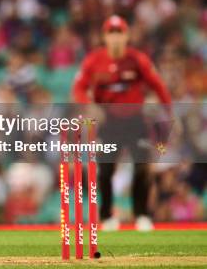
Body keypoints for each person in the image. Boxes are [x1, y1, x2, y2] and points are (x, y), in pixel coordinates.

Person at [72, 15, 172, 231]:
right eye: (111, 33)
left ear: (126, 36)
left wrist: (169, 113)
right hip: (109, 124)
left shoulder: (138, 59)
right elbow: (78, 87)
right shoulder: (93, 60)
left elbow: (158, 85)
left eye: (119, 33)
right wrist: (89, 104)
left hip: (136, 122)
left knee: (142, 168)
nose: (116, 38)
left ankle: (142, 215)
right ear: (104, 37)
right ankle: (107, 216)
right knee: (105, 170)